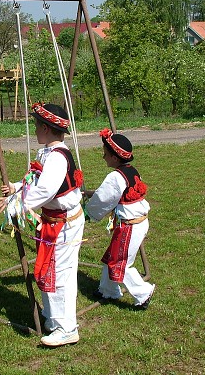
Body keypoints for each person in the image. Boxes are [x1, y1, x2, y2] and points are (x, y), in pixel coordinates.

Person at [0, 102, 85, 347]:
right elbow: (35, 179)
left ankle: (66, 328)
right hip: (54, 220)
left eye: (36, 125)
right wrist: (17, 187)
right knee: (49, 269)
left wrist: (15, 204)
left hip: (63, 222)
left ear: (45, 128)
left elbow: (45, 189)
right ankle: (53, 317)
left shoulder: (57, 158)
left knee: (59, 273)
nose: (34, 130)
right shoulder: (47, 152)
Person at [83, 128, 155, 309]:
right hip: (136, 223)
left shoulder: (115, 177)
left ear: (115, 158)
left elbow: (104, 199)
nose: (103, 157)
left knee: (120, 263)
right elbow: (116, 195)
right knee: (112, 257)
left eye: (105, 154)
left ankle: (143, 292)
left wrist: (87, 213)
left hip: (130, 226)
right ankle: (108, 290)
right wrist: (91, 193)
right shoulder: (130, 170)